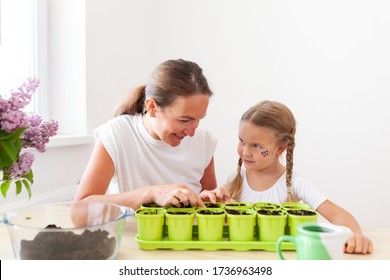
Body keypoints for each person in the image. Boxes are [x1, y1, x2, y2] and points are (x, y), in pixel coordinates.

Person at [200, 100, 373, 254]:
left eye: (256, 146)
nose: (245, 152)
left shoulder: (295, 183)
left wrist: (356, 236)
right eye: (241, 141)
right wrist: (220, 205)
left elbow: (337, 214)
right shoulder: (235, 180)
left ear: (281, 148)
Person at [74, 59, 218, 210]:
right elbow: (79, 210)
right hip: (130, 233)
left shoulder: (204, 140)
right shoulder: (117, 134)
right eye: (184, 120)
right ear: (152, 107)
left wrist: (215, 199)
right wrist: (151, 193)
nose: (192, 131)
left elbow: (208, 210)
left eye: (199, 119)